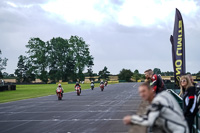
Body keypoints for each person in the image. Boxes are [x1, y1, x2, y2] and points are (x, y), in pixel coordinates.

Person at [123, 82, 189, 133]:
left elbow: (149, 121)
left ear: (151, 90)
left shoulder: (158, 102)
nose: (142, 94)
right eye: (140, 92)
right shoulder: (163, 96)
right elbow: (150, 116)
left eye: (144, 91)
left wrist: (131, 119)